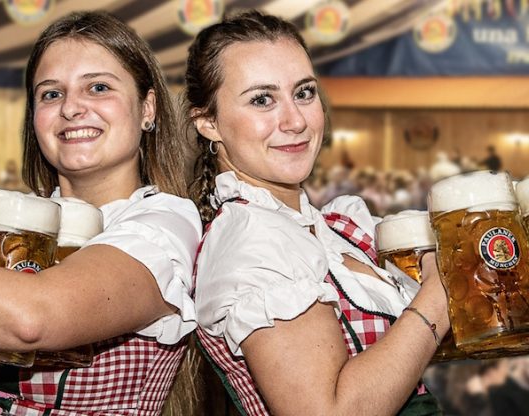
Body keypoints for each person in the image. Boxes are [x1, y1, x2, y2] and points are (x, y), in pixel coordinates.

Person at [0, 11, 201, 415]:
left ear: (147, 108)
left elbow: (34, 318)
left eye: (98, 87)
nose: (71, 108)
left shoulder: (164, 222)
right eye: (50, 94)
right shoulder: (9, 225)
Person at [185, 11, 449, 415]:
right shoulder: (254, 241)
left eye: (304, 93)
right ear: (208, 123)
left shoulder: (330, 226)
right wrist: (439, 298)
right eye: (262, 99)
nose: (295, 121)